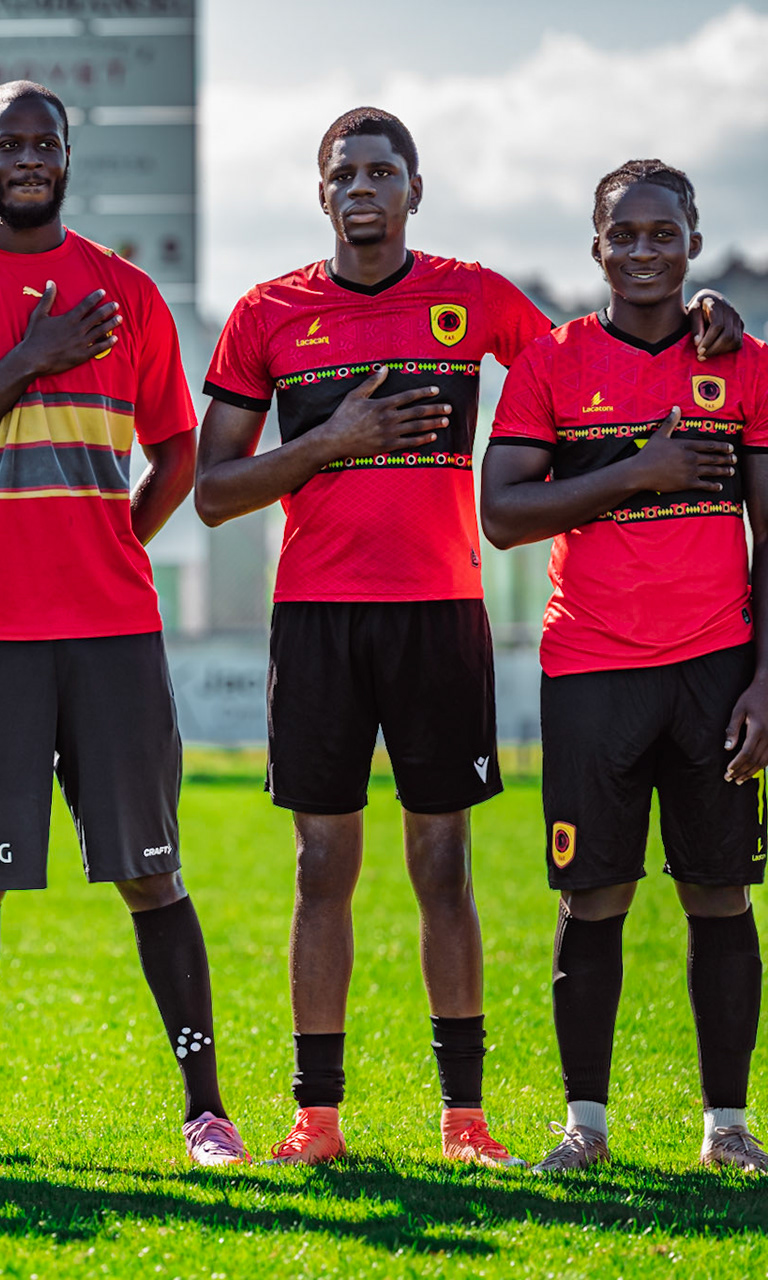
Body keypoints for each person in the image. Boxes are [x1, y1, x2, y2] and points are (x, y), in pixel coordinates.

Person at [193, 109, 746, 1166]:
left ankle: (464, 1117)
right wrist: (332, 444)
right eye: (343, 172)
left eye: (382, 171)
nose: (362, 186)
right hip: (315, 618)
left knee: (443, 862)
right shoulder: (269, 314)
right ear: (321, 192)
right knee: (321, 868)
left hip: (442, 615)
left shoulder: (472, 295)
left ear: (414, 188)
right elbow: (214, 492)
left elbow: (599, 359)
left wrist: (696, 311)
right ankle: (316, 1116)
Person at [0, 81, 246, 1167]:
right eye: (10, 142)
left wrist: (118, 538)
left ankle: (206, 1112)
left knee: (150, 870)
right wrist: (28, 359)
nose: (31, 157)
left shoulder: (127, 292)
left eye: (49, 141)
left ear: (69, 157)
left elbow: (179, 448)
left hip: (109, 629)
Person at [482, 160, 768, 1174]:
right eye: (625, 235)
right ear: (595, 246)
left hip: (718, 669)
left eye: (664, 233)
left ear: (693, 241)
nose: (644, 250)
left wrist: (766, 680)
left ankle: (727, 1126)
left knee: (721, 894)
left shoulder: (743, 363)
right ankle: (585, 1127)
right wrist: (636, 471)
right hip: (593, 670)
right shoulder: (553, 362)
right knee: (591, 897)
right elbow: (503, 513)